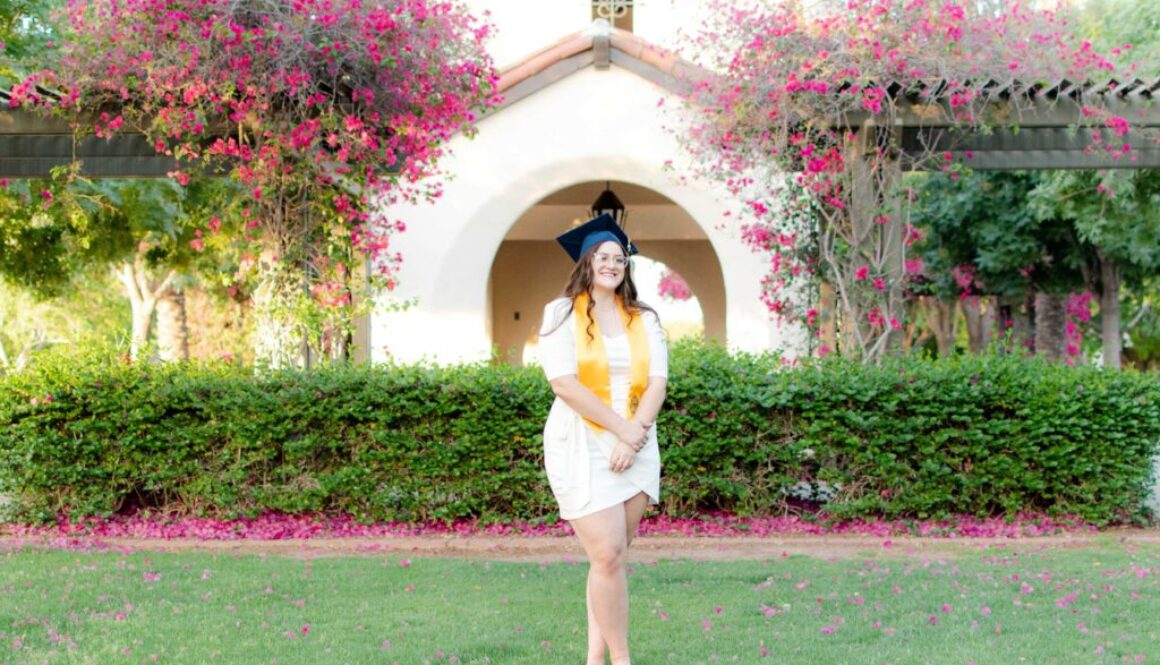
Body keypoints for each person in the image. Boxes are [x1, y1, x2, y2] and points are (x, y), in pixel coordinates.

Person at [537, 212, 668, 665]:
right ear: (587, 262)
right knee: (608, 552)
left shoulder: (644, 318)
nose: (612, 264)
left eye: (620, 258)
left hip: (636, 441)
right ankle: (623, 660)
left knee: (610, 560)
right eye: (603, 257)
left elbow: (657, 383)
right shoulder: (559, 313)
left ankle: (595, 659)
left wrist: (633, 439)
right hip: (580, 441)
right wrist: (622, 431)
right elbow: (564, 384)